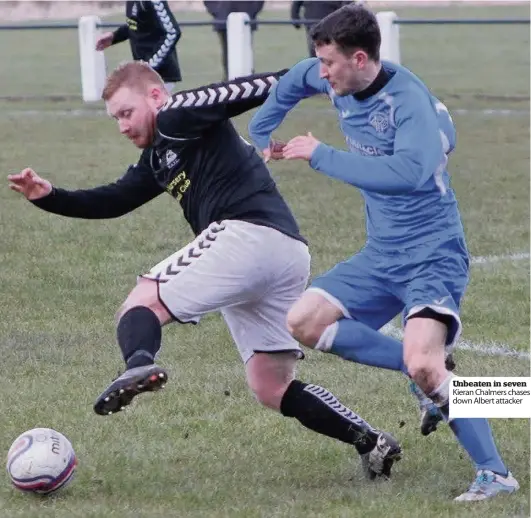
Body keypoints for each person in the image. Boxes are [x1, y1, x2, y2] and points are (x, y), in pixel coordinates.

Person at [8, 60, 401, 481]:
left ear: (156, 97)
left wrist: (321, 73)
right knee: (271, 386)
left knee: (143, 301)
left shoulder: (179, 114)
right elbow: (113, 200)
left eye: (126, 112)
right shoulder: (159, 155)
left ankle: (139, 363)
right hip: (283, 252)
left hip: (246, 236)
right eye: (115, 119)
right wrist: (49, 196)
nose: (121, 126)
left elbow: (245, 89)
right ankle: (374, 438)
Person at [248, 4, 519, 502]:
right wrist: (262, 135)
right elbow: (289, 84)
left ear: (359, 58)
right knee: (305, 321)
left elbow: (407, 176)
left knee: (426, 363)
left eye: (329, 64)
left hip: (433, 253)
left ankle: (495, 474)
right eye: (320, 64)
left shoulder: (410, 104)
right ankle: (428, 379)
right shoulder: (333, 75)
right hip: (381, 253)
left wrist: (321, 155)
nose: (321, 74)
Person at [96, 1, 182, 92]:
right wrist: (115, 36)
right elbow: (137, 24)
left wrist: (151, 65)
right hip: (143, 73)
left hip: (160, 75)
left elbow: (172, 32)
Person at [204, 1, 264, 80]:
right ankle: (229, 81)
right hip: (223, 19)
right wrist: (217, 11)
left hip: (246, 19)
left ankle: (248, 81)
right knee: (227, 53)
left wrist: (251, 11)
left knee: (245, 52)